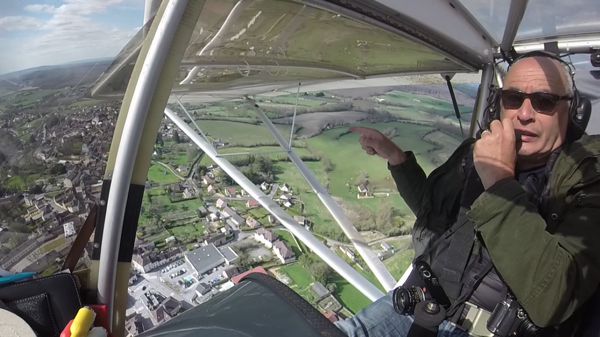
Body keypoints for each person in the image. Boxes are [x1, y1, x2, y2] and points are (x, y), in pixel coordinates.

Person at [336, 53, 600, 337]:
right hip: (416, 303)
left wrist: (499, 180)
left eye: (544, 101)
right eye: (513, 98)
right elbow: (435, 214)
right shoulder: (476, 153)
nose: (524, 114)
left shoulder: (587, 178)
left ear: (573, 111)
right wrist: (398, 160)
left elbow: (554, 297)